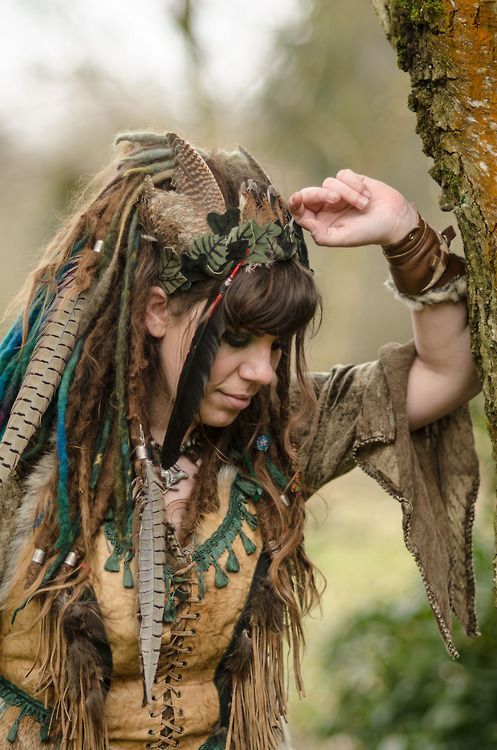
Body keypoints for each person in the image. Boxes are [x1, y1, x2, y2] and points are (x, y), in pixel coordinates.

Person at [0, 132, 480, 750]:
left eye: (276, 346)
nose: (263, 371)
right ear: (155, 310)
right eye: (238, 338)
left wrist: (405, 235)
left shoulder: (276, 438)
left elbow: (448, 372)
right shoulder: (27, 443)